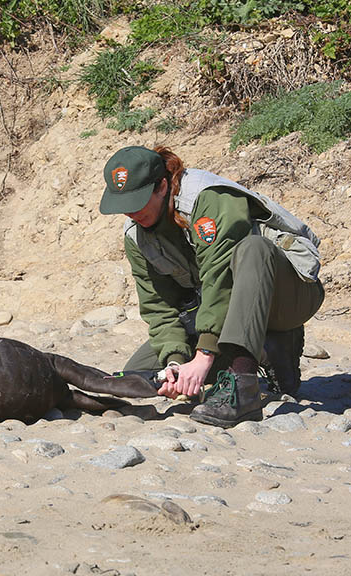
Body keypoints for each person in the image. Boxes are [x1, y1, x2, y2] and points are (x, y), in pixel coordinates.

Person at [99, 145, 324, 427]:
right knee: (141, 373)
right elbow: (158, 306)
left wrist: (204, 357)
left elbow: (220, 280)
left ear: (162, 186)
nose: (131, 213)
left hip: (289, 295)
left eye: (137, 201)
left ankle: (243, 384)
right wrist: (175, 363)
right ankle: (269, 348)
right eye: (124, 206)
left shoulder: (207, 198)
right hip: (224, 309)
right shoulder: (136, 236)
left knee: (253, 249)